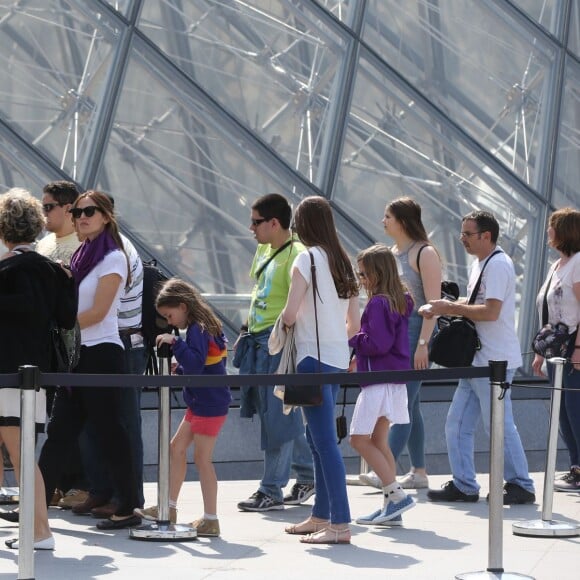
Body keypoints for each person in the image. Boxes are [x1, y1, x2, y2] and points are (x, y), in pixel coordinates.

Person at [38, 191, 141, 530]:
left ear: (106, 216)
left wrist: (60, 328)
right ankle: (35, 507)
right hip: (79, 355)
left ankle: (128, 506)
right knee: (59, 433)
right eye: (78, 211)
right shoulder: (82, 255)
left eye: (89, 211)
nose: (81, 217)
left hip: (100, 353)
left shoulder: (112, 257)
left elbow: (98, 312)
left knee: (110, 431)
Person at [422, 211, 535, 504]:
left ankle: (521, 484)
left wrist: (450, 308)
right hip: (476, 360)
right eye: (461, 233)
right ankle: (464, 485)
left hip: (494, 361)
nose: (462, 239)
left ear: (487, 235)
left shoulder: (497, 265)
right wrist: (444, 305)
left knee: (498, 424)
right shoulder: (481, 264)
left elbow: (491, 311)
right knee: (456, 424)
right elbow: (476, 304)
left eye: (467, 234)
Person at [0, 188, 77, 550]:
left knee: (20, 455)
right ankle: (38, 529)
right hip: (37, 375)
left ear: (4, 230)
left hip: (7, 374)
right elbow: (65, 318)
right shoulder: (54, 272)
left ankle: (41, 531)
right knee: (24, 453)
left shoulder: (6, 271)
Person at [281, 196, 360, 545]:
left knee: (324, 442)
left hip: (311, 358)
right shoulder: (345, 262)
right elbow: (354, 325)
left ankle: (340, 523)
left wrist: (286, 329)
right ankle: (321, 515)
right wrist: (335, 341)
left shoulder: (306, 257)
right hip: (336, 357)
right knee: (317, 439)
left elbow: (289, 312)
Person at [236, 194, 315, 512]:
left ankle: (271, 489)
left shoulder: (298, 254)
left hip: (279, 346)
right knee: (283, 413)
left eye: (256, 222)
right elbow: (260, 294)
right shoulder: (264, 250)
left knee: (276, 417)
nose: (250, 228)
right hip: (259, 342)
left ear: (274, 223)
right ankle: (309, 475)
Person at [135, 278, 231, 536]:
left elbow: (197, 365)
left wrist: (176, 343)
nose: (169, 321)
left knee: (202, 459)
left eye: (170, 315)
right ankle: (170, 506)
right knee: (176, 449)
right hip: (203, 402)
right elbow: (203, 365)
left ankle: (211, 518)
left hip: (208, 404)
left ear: (182, 306)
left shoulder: (198, 329)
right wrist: (183, 364)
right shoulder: (204, 325)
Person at [360, 197, 441, 490]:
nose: (383, 222)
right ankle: (418, 471)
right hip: (396, 334)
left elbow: (434, 304)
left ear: (403, 221)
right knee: (412, 403)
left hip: (416, 333)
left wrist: (423, 343)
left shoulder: (425, 253)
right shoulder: (394, 253)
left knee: (402, 402)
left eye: (387, 217)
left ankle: (384, 468)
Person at [349, 244, 416, 526]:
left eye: (363, 274)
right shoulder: (400, 299)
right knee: (378, 440)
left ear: (377, 273)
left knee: (358, 439)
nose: (361, 279)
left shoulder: (378, 303)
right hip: (393, 379)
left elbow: (378, 343)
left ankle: (396, 495)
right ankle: (392, 507)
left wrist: (354, 339)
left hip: (378, 380)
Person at [36, 180, 88, 510]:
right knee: (55, 418)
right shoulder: (42, 245)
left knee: (71, 419)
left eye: (48, 206)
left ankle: (78, 485)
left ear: (68, 209)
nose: (43, 213)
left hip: (75, 345)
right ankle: (58, 484)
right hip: (49, 346)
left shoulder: (79, 246)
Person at [532, 208, 580, 491]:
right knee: (562, 411)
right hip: (556, 348)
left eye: (552, 226)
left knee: (575, 409)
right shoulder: (557, 265)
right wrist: (541, 351)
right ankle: (575, 466)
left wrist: (579, 348)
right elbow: (548, 310)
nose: (548, 231)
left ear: (564, 231)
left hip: (572, 345)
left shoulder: (578, 263)